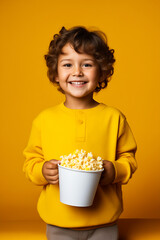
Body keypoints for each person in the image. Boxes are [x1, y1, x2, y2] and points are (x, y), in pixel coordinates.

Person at [23, 26, 137, 240]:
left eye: (87, 64)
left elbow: (129, 160)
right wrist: (42, 171)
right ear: (56, 74)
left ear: (101, 71)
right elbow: (30, 163)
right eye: (67, 65)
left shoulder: (114, 118)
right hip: (58, 223)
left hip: (105, 224)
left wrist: (114, 171)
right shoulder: (44, 120)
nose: (77, 72)